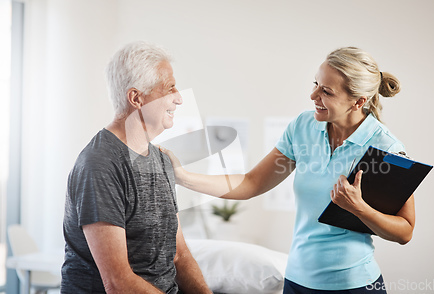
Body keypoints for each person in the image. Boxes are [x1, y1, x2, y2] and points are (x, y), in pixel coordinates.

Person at [165, 47, 415, 293]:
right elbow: (251, 183)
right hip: (296, 282)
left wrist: (360, 209)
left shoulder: (386, 148)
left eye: (326, 91)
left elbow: (404, 231)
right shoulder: (303, 127)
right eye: (315, 84)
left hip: (352, 285)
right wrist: (183, 177)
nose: (313, 95)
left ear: (358, 101)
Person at [61, 41, 212, 294]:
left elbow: (179, 256)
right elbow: (118, 283)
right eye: (170, 88)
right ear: (136, 98)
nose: (179, 98)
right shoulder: (99, 165)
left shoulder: (161, 160)